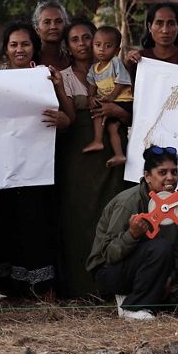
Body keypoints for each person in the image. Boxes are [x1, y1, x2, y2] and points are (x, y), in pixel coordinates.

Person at [87, 146, 178, 319]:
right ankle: (134, 307)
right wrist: (131, 235)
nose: (170, 178)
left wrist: (170, 278)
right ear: (147, 176)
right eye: (162, 172)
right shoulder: (129, 202)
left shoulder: (176, 206)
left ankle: (141, 294)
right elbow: (109, 255)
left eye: (174, 172)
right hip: (110, 273)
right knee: (160, 247)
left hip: (151, 268)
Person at [56, 20, 133, 299]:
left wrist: (116, 109)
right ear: (67, 45)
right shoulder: (61, 77)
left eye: (87, 37)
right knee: (78, 217)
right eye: (74, 39)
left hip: (111, 155)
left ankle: (111, 286)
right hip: (76, 158)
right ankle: (79, 287)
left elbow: (131, 112)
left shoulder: (114, 68)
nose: (82, 44)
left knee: (112, 216)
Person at [0, 22, 62, 301]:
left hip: (37, 165)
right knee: (9, 223)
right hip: (3, 166)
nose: (19, 49)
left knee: (37, 222)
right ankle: (12, 289)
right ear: (6, 49)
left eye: (25, 44)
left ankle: (43, 288)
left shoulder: (45, 77)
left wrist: (62, 117)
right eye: (13, 44)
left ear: (34, 47)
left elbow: (66, 116)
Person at [82, 25, 132, 168]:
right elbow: (92, 86)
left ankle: (100, 142)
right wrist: (91, 97)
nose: (102, 49)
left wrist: (111, 97)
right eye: (98, 45)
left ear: (117, 50)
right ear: (92, 46)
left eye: (108, 46)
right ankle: (115, 152)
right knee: (111, 126)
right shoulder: (93, 69)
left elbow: (121, 82)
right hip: (109, 102)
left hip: (123, 101)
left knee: (104, 116)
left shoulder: (115, 62)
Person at [124, 2, 178, 76]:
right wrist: (127, 64)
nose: (165, 30)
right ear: (149, 27)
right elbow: (126, 87)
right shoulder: (140, 58)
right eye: (159, 23)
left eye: (171, 23)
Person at [33, 1, 72, 72]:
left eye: (58, 21)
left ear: (66, 26)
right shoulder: (30, 62)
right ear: (37, 29)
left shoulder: (73, 61)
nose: (53, 27)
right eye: (47, 22)